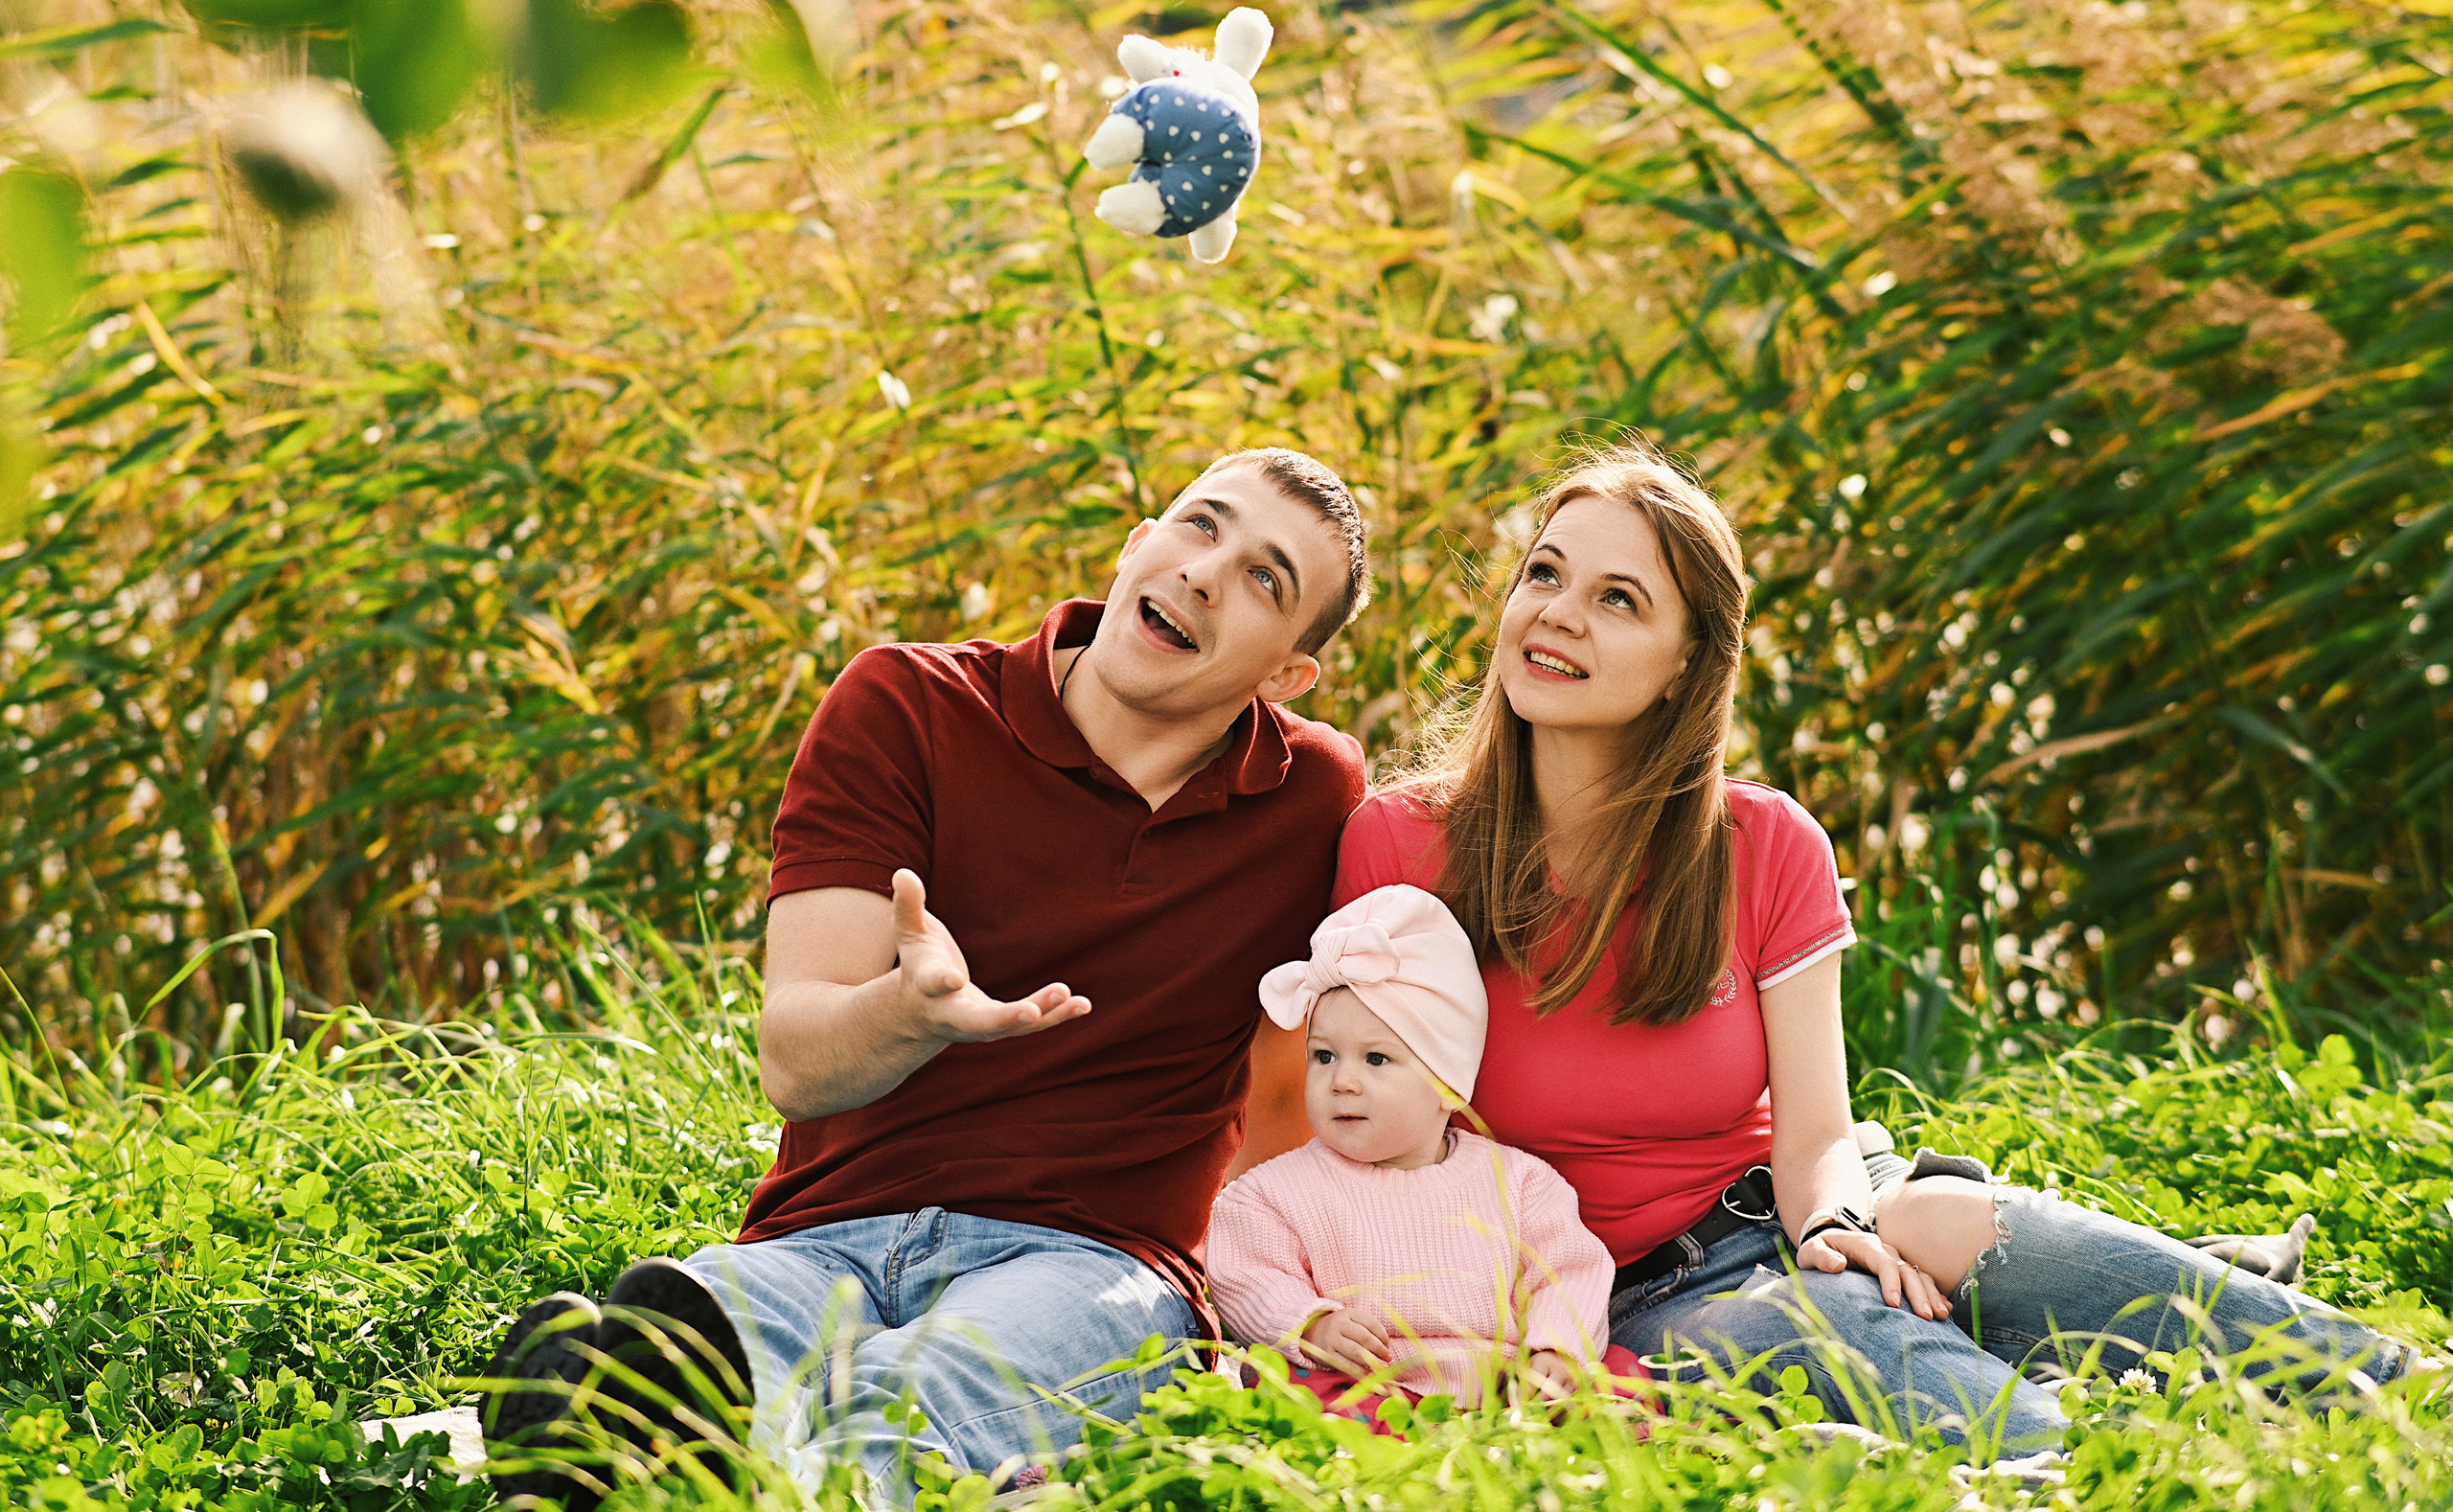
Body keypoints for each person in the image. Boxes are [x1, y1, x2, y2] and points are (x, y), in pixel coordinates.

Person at [1324, 442, 2422, 1452]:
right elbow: (1335, 1123)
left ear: (1685, 665)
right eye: (1545, 575)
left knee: (1972, 1232)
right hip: (1624, 1294)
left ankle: (2401, 1385)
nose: (1557, 614)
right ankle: (2075, 1455)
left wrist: (1834, 1223)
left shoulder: (1762, 842)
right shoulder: (1400, 844)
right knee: (1854, 1336)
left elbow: (1816, 1132)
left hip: (1793, 1201)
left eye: (1618, 598)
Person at [480, 447, 1373, 1506]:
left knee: (916, 1401)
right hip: (825, 1239)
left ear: (1286, 676)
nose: (1206, 573)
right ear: (1138, 544)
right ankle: (624, 1424)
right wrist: (908, 1014)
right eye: (1199, 525)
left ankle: (692, 1473)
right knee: (691, 1344)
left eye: (1266, 578)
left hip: (1096, 1263)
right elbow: (797, 1065)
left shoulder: (1311, 797)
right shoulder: (908, 703)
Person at [1208, 885, 1619, 1429]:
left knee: (1621, 1375)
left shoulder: (1518, 1184)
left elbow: (1568, 1273)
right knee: (1296, 1391)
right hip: (1362, 1379)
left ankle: (1529, 1425)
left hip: (1500, 1383)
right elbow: (1245, 1273)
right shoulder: (1271, 1194)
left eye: (1376, 1059)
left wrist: (1554, 1350)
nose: (1342, 1080)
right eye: (1323, 1056)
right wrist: (1311, 1325)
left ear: (1448, 1084)